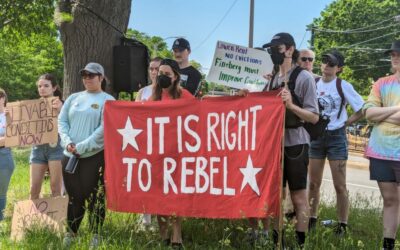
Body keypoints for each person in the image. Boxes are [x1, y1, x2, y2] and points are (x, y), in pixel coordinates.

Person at [240, 32, 319, 247]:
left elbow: (314, 116)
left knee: (298, 197)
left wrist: (292, 105)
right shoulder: (272, 78)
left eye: (279, 48)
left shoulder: (304, 78)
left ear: (291, 49)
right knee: (276, 197)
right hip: (273, 145)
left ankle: (301, 242)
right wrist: (247, 96)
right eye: (272, 48)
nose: (274, 52)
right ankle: (278, 241)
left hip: (296, 145)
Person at [308, 50, 364, 234]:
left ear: (339, 68)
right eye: (324, 61)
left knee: (340, 185)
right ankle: (311, 219)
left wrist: (346, 122)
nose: (326, 66)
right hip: (315, 136)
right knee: (313, 183)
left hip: (336, 138)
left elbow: (362, 109)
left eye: (331, 64)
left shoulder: (343, 85)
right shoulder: (313, 82)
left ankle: (342, 225)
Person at [59, 62, 115, 247]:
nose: (87, 78)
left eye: (91, 75)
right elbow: (62, 121)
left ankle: (95, 235)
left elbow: (103, 129)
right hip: (70, 155)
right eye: (84, 75)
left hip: (94, 156)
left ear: (101, 77)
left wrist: (82, 147)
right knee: (74, 196)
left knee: (95, 197)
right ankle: (71, 233)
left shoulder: (108, 100)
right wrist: (68, 143)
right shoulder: (73, 98)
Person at [151, 58, 193, 249]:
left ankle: (177, 236)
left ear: (176, 77)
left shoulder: (184, 95)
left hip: (179, 154)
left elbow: (204, 110)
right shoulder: (153, 97)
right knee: (159, 195)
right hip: (158, 154)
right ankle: (163, 235)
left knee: (177, 196)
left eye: (167, 74)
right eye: (160, 73)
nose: (163, 77)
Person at [362, 40, 400, 250]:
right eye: (393, 54)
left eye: (399, 54)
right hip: (381, 151)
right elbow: (369, 113)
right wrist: (396, 109)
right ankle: (388, 245)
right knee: (389, 199)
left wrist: (383, 114)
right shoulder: (381, 83)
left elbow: (377, 115)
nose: (395, 57)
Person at [135, 57, 162, 227]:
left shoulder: (168, 91)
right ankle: (145, 218)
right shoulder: (142, 91)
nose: (154, 72)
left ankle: (161, 218)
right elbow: (134, 114)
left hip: (162, 140)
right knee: (144, 178)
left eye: (157, 69)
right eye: (151, 68)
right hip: (144, 140)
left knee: (160, 180)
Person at [30, 74, 64, 199]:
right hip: (37, 149)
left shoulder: (63, 104)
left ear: (54, 87)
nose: (42, 88)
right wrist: (10, 116)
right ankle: (33, 218)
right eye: (39, 86)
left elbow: (69, 125)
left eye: (46, 85)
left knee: (55, 188)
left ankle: (57, 218)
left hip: (56, 149)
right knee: (33, 189)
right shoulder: (31, 107)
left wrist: (61, 109)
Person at [0, 88, 15, 221]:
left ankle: (0, 220)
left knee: (1, 192)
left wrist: (9, 117)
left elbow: (12, 138)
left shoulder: (9, 115)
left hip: (4, 156)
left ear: (3, 99)